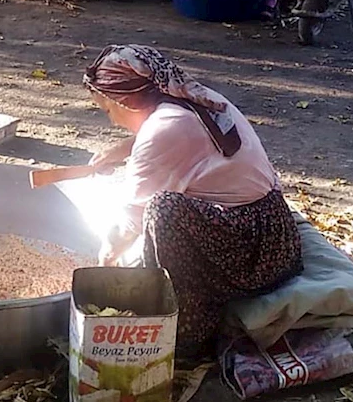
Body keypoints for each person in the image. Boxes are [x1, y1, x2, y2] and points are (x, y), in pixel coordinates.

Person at [83, 44, 303, 356]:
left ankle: (191, 329)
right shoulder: (195, 98)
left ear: (127, 101)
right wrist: (119, 151)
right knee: (162, 208)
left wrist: (103, 263)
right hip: (276, 232)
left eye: (108, 111)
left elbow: (129, 220)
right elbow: (179, 135)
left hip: (255, 258)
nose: (112, 122)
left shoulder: (162, 131)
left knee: (162, 211)